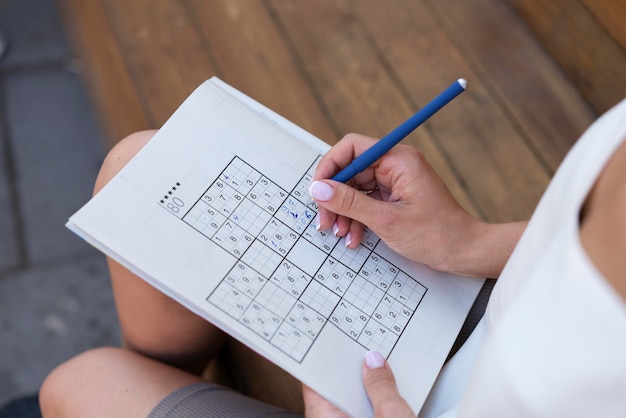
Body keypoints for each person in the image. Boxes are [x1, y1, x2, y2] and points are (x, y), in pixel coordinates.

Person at [39, 93, 626, 417]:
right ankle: (165, 372)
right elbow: (576, 245)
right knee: (136, 165)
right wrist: (468, 243)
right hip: (485, 320)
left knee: (79, 384)